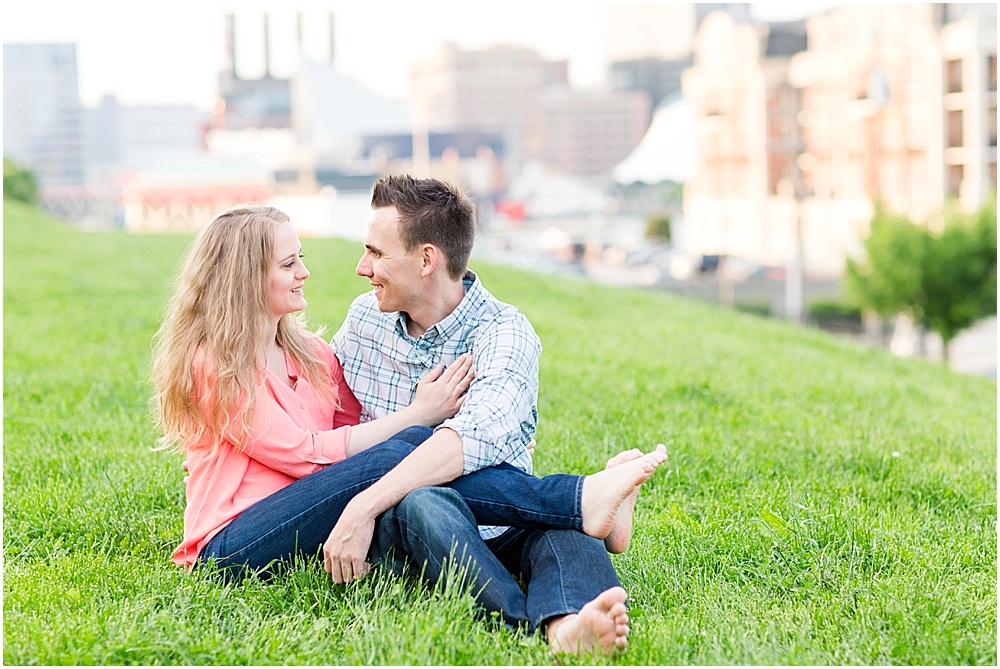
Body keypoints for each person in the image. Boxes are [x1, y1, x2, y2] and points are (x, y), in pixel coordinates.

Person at [152, 205, 666, 591]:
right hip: (232, 545)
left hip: (308, 523)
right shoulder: (213, 364)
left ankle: (577, 516)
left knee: (420, 461)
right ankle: (577, 498)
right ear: (245, 278)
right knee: (414, 445)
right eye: (289, 264)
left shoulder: (308, 352)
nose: (305, 272)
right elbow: (306, 454)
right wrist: (419, 415)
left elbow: (347, 423)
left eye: (299, 259)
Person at [327, 175, 668, 655]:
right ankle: (528, 618)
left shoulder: (505, 334)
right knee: (423, 499)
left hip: (505, 521)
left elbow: (471, 440)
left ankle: (569, 624)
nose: (363, 267)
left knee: (565, 532)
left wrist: (359, 506)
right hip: (405, 522)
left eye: (377, 253)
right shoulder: (365, 320)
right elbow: (321, 408)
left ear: (427, 259)